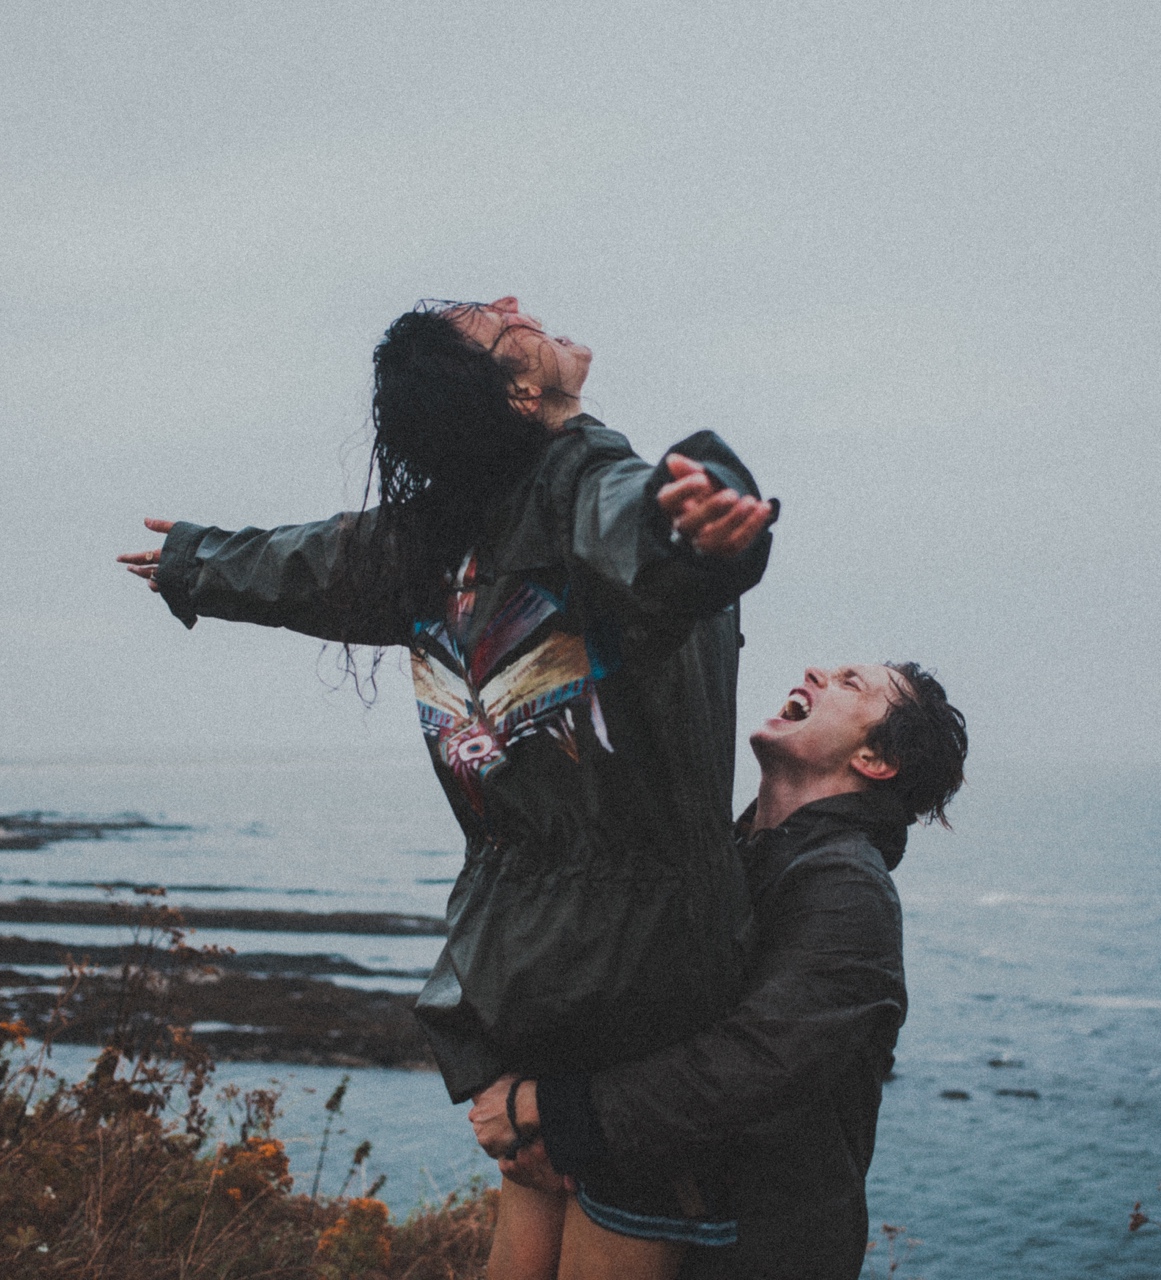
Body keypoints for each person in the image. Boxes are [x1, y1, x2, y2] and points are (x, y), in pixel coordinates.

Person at [118, 298, 777, 1278]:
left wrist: (194, 559)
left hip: (513, 963)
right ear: (518, 394)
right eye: (499, 323)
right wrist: (699, 527)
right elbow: (638, 523)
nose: (515, 304)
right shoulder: (581, 486)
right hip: (640, 972)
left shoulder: (435, 537)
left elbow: (306, 562)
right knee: (626, 1206)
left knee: (533, 1213)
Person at [468, 661, 968, 1280]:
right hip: (679, 1212)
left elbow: (757, 1063)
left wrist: (551, 1110)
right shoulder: (739, 857)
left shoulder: (847, 886)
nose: (815, 671)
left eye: (850, 683)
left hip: (756, 1251)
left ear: (875, 759)